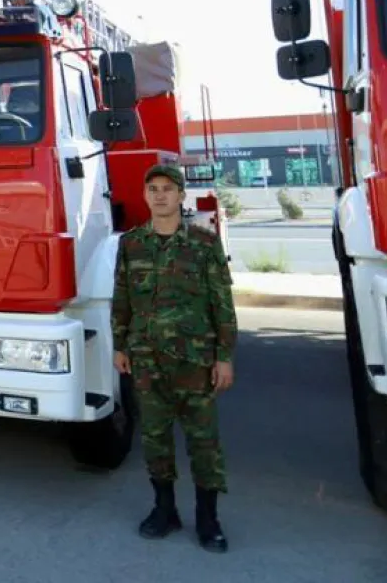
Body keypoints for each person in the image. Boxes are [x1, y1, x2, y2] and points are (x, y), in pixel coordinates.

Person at [112, 163, 237, 553]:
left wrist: (224, 356)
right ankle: (164, 509)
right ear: (145, 195)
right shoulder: (131, 244)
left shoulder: (203, 242)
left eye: (168, 188)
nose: (160, 195)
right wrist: (119, 345)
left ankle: (208, 519)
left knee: (203, 441)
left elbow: (222, 302)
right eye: (153, 188)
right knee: (154, 438)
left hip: (194, 361)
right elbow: (122, 298)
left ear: (182, 195)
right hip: (147, 360)